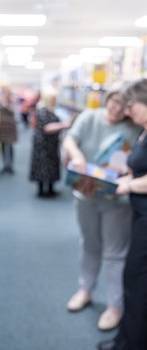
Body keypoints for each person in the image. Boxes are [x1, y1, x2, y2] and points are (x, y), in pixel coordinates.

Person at [63, 87, 142, 331]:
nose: (116, 109)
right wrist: (76, 156)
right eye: (113, 102)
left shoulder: (136, 127)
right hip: (85, 194)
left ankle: (114, 306)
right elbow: (70, 139)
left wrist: (127, 174)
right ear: (107, 99)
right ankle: (85, 290)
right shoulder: (89, 117)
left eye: (123, 105)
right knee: (89, 245)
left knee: (114, 253)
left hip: (117, 201)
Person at [98, 79, 147, 350]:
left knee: (136, 279)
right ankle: (126, 339)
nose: (128, 111)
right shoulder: (142, 131)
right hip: (139, 213)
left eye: (132, 105)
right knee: (134, 278)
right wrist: (123, 175)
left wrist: (128, 185)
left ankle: (132, 343)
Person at [29, 87, 70, 197]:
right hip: (43, 144)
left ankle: (51, 188)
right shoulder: (42, 110)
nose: (55, 100)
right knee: (43, 166)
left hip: (51, 143)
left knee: (51, 166)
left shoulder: (51, 109)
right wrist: (64, 125)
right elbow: (46, 128)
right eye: (53, 98)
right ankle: (42, 190)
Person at [0, 87, 17, 174]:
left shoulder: (12, 101)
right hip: (2, 127)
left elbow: (13, 111)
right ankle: (4, 165)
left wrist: (5, 104)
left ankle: (10, 166)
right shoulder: (0, 100)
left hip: (10, 127)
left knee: (9, 147)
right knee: (3, 146)